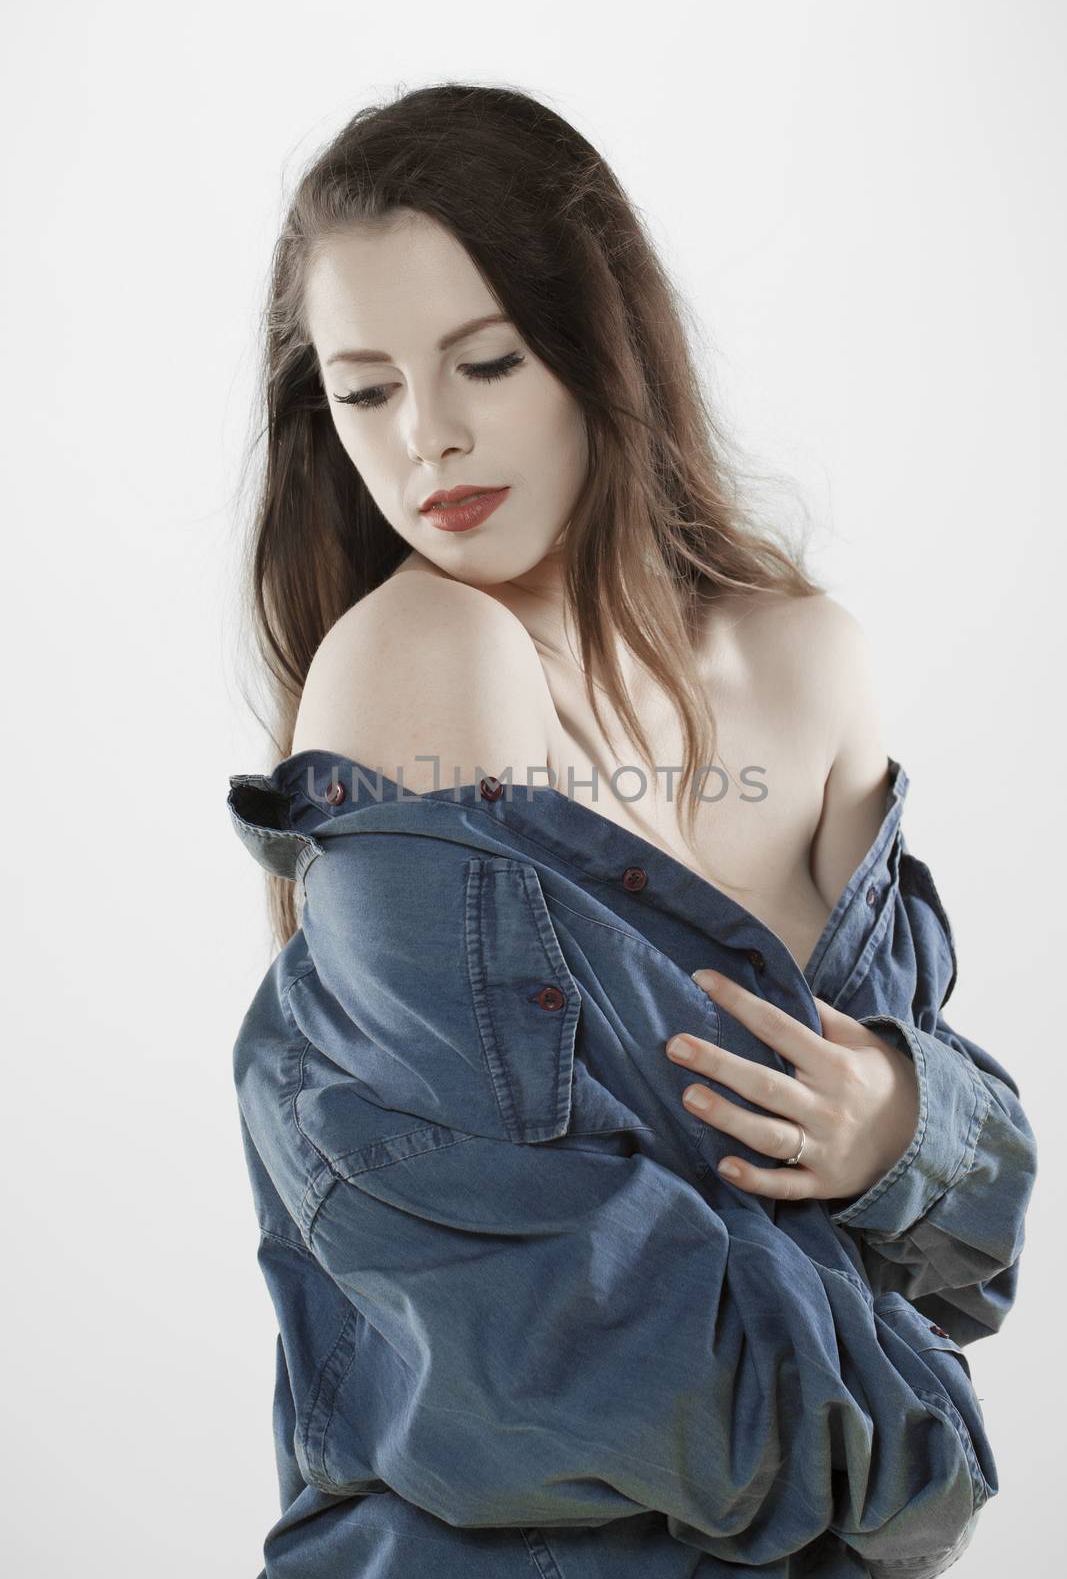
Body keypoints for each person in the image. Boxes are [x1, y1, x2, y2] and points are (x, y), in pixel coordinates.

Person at [229, 82, 1036, 1577]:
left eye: (486, 360)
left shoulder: (807, 660)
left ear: (605, 350)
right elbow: (527, 1333)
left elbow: (971, 1237)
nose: (430, 442)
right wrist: (918, 1446)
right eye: (366, 390)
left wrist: (899, 1122)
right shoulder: (425, 664)